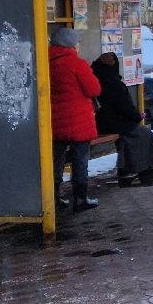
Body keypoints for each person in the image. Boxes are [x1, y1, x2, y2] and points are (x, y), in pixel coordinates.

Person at [91, 52, 153, 187]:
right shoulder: (111, 82)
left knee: (131, 136)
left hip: (107, 121)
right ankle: (144, 168)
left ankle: (132, 169)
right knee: (143, 133)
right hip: (112, 123)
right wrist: (137, 116)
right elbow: (124, 105)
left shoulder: (99, 76)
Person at [48, 28, 101, 212]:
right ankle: (80, 198)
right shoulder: (77, 64)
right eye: (77, 42)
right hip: (79, 122)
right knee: (80, 161)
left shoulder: (45, 63)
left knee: (55, 161)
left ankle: (53, 199)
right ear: (70, 44)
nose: (79, 45)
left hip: (54, 121)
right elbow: (94, 89)